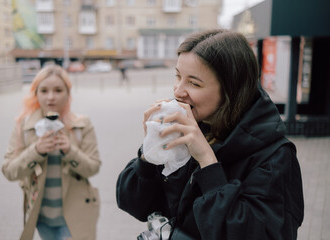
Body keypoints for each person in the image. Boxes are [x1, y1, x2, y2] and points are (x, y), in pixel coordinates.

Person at [116, 29, 304, 239]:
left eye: (194, 83)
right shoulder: (188, 128)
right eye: (178, 76)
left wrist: (207, 162)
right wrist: (149, 154)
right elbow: (134, 205)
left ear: (231, 90)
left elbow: (260, 233)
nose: (178, 90)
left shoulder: (275, 156)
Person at [2, 65, 101, 240]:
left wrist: (70, 151)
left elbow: (93, 168)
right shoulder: (24, 126)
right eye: (44, 90)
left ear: (68, 93)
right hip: (41, 218)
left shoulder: (81, 124)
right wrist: (36, 151)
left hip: (75, 216)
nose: (51, 97)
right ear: (36, 93)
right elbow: (9, 171)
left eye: (58, 90)